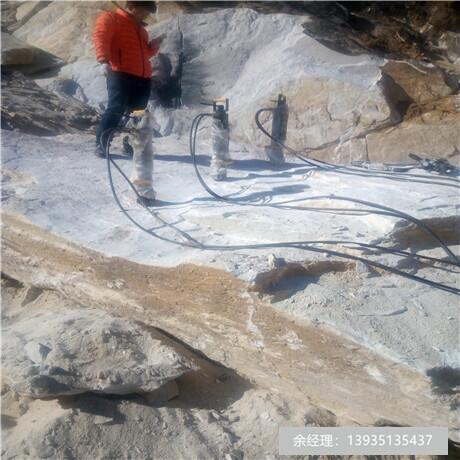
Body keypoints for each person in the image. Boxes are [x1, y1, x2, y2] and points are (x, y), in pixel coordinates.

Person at [92, 1, 162, 157]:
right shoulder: (111, 18)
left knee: (137, 114)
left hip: (143, 77)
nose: (146, 15)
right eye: (144, 11)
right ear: (132, 7)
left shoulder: (142, 30)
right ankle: (101, 143)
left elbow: (144, 55)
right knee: (116, 108)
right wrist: (103, 61)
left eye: (148, 13)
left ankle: (129, 144)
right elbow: (100, 37)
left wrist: (154, 46)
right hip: (120, 73)